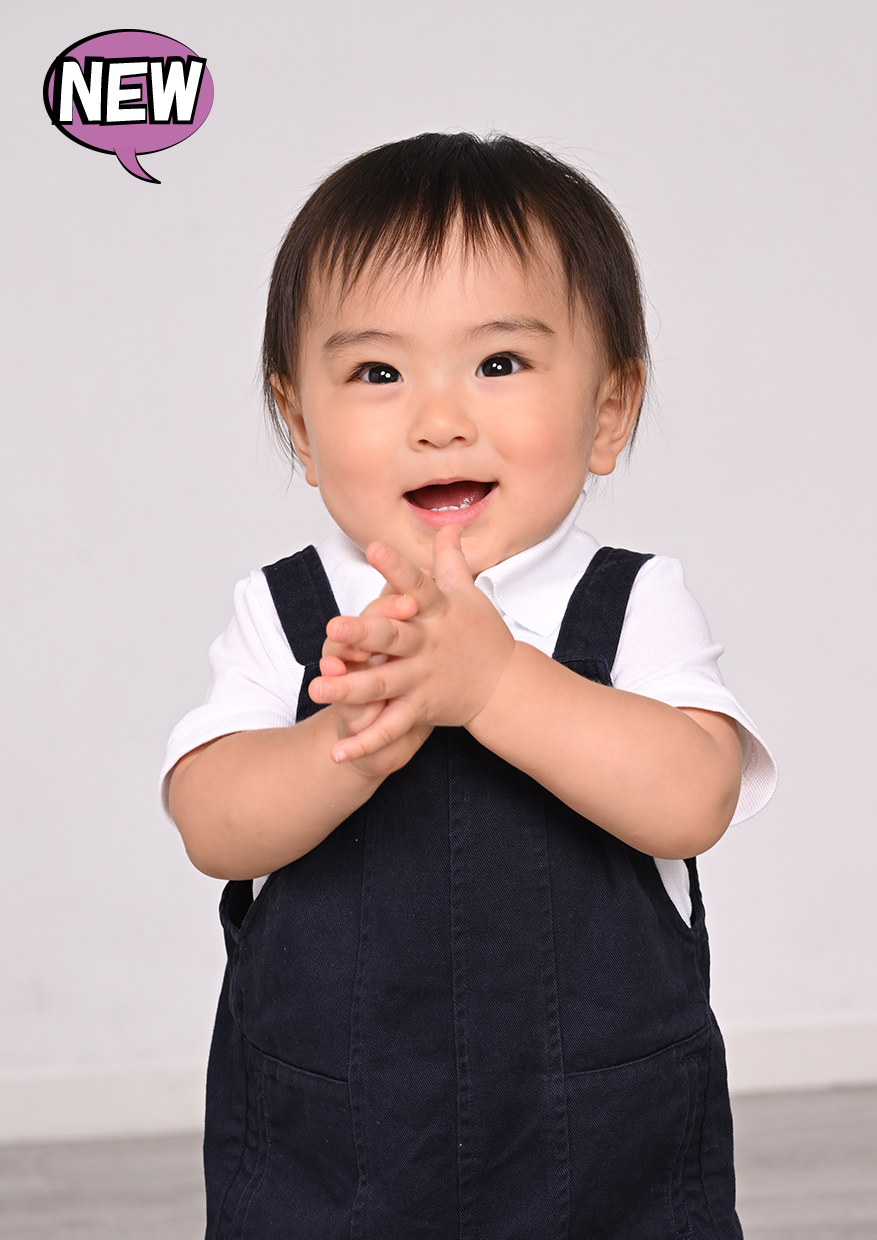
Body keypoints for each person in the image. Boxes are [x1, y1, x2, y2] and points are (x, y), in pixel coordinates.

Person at [163, 132, 776, 1239]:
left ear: (607, 410)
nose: (438, 418)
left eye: (499, 364)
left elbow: (696, 798)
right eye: (377, 373)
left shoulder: (629, 601)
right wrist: (344, 737)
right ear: (300, 426)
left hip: (602, 1147)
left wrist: (496, 684)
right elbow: (211, 821)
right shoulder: (292, 611)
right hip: (333, 1153)